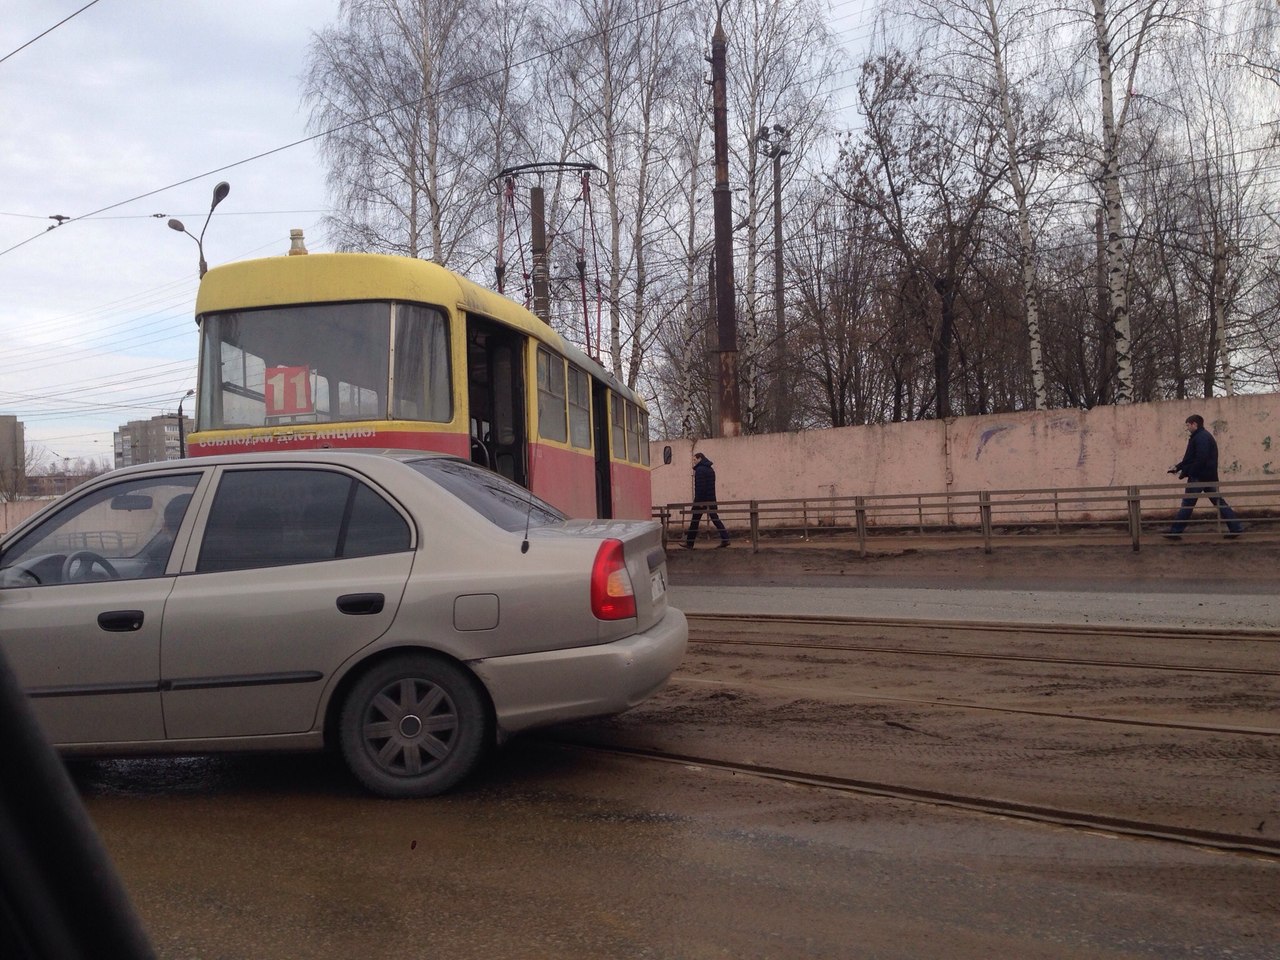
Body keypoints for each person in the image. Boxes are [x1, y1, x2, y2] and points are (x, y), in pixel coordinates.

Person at [1165, 414, 1243, 539]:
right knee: (1218, 502)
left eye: (1188, 425)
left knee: (1188, 504)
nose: (1187, 428)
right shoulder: (1202, 437)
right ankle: (1236, 527)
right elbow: (1193, 458)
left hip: (1198, 477)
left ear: (1194, 424)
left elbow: (1200, 459)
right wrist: (1178, 467)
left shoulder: (1200, 438)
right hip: (1209, 477)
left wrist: (1188, 471)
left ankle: (1175, 531)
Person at [683, 452, 730, 549]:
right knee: (716, 519)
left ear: (700, 458)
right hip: (711, 499)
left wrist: (699, 502)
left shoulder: (700, 470)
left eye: (694, 459)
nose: (694, 461)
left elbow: (700, 488)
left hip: (702, 501)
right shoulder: (710, 469)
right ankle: (725, 539)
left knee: (694, 521)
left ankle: (689, 543)